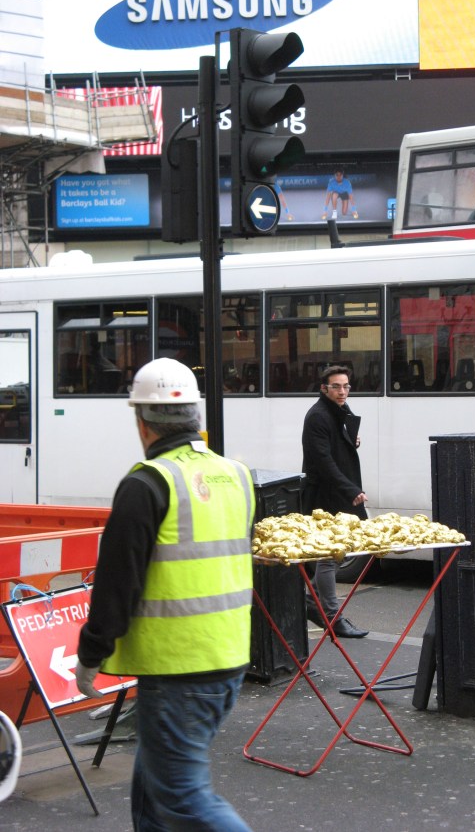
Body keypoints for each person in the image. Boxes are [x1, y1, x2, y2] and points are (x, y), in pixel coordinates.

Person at [76, 357, 255, 832]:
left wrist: (91, 654)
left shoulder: (147, 484)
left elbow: (118, 582)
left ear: (142, 422)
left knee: (182, 798)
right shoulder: (236, 475)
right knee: (154, 790)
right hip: (228, 657)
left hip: (179, 670)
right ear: (195, 415)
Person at [301, 364, 369, 638]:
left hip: (341, 491)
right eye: (336, 387)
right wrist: (350, 489)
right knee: (332, 555)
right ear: (324, 388)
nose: (342, 392)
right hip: (327, 496)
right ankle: (331, 616)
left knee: (346, 549)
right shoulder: (317, 416)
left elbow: (337, 446)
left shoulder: (341, 410)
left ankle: (312, 600)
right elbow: (322, 461)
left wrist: (352, 440)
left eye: (346, 386)